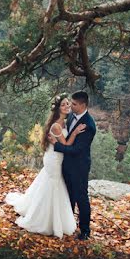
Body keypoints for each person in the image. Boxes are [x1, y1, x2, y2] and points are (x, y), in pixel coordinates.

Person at [5, 94, 86, 238]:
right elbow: (66, 144)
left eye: (68, 104)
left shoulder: (63, 122)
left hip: (58, 157)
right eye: (64, 105)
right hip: (54, 159)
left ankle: (49, 215)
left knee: (50, 184)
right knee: (52, 185)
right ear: (58, 109)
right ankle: (42, 220)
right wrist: (75, 133)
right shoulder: (56, 126)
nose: (67, 106)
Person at [49, 90, 97, 240]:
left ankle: (85, 231)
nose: (71, 106)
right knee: (68, 195)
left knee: (81, 197)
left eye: (74, 104)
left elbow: (76, 150)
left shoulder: (89, 125)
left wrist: (56, 146)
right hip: (65, 164)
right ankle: (67, 224)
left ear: (82, 105)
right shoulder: (70, 117)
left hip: (79, 166)